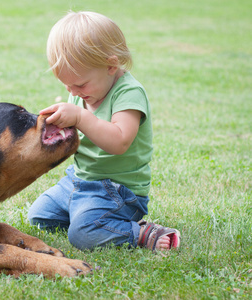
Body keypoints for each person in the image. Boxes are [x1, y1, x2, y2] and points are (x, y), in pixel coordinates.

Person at [28, 11, 181, 251]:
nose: (73, 91)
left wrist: (79, 116)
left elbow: (119, 142)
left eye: (79, 84)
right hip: (79, 180)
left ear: (111, 65)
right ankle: (100, 219)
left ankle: (141, 232)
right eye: (66, 85)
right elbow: (80, 131)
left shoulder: (128, 93)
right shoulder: (83, 91)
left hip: (117, 191)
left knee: (81, 235)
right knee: (39, 216)